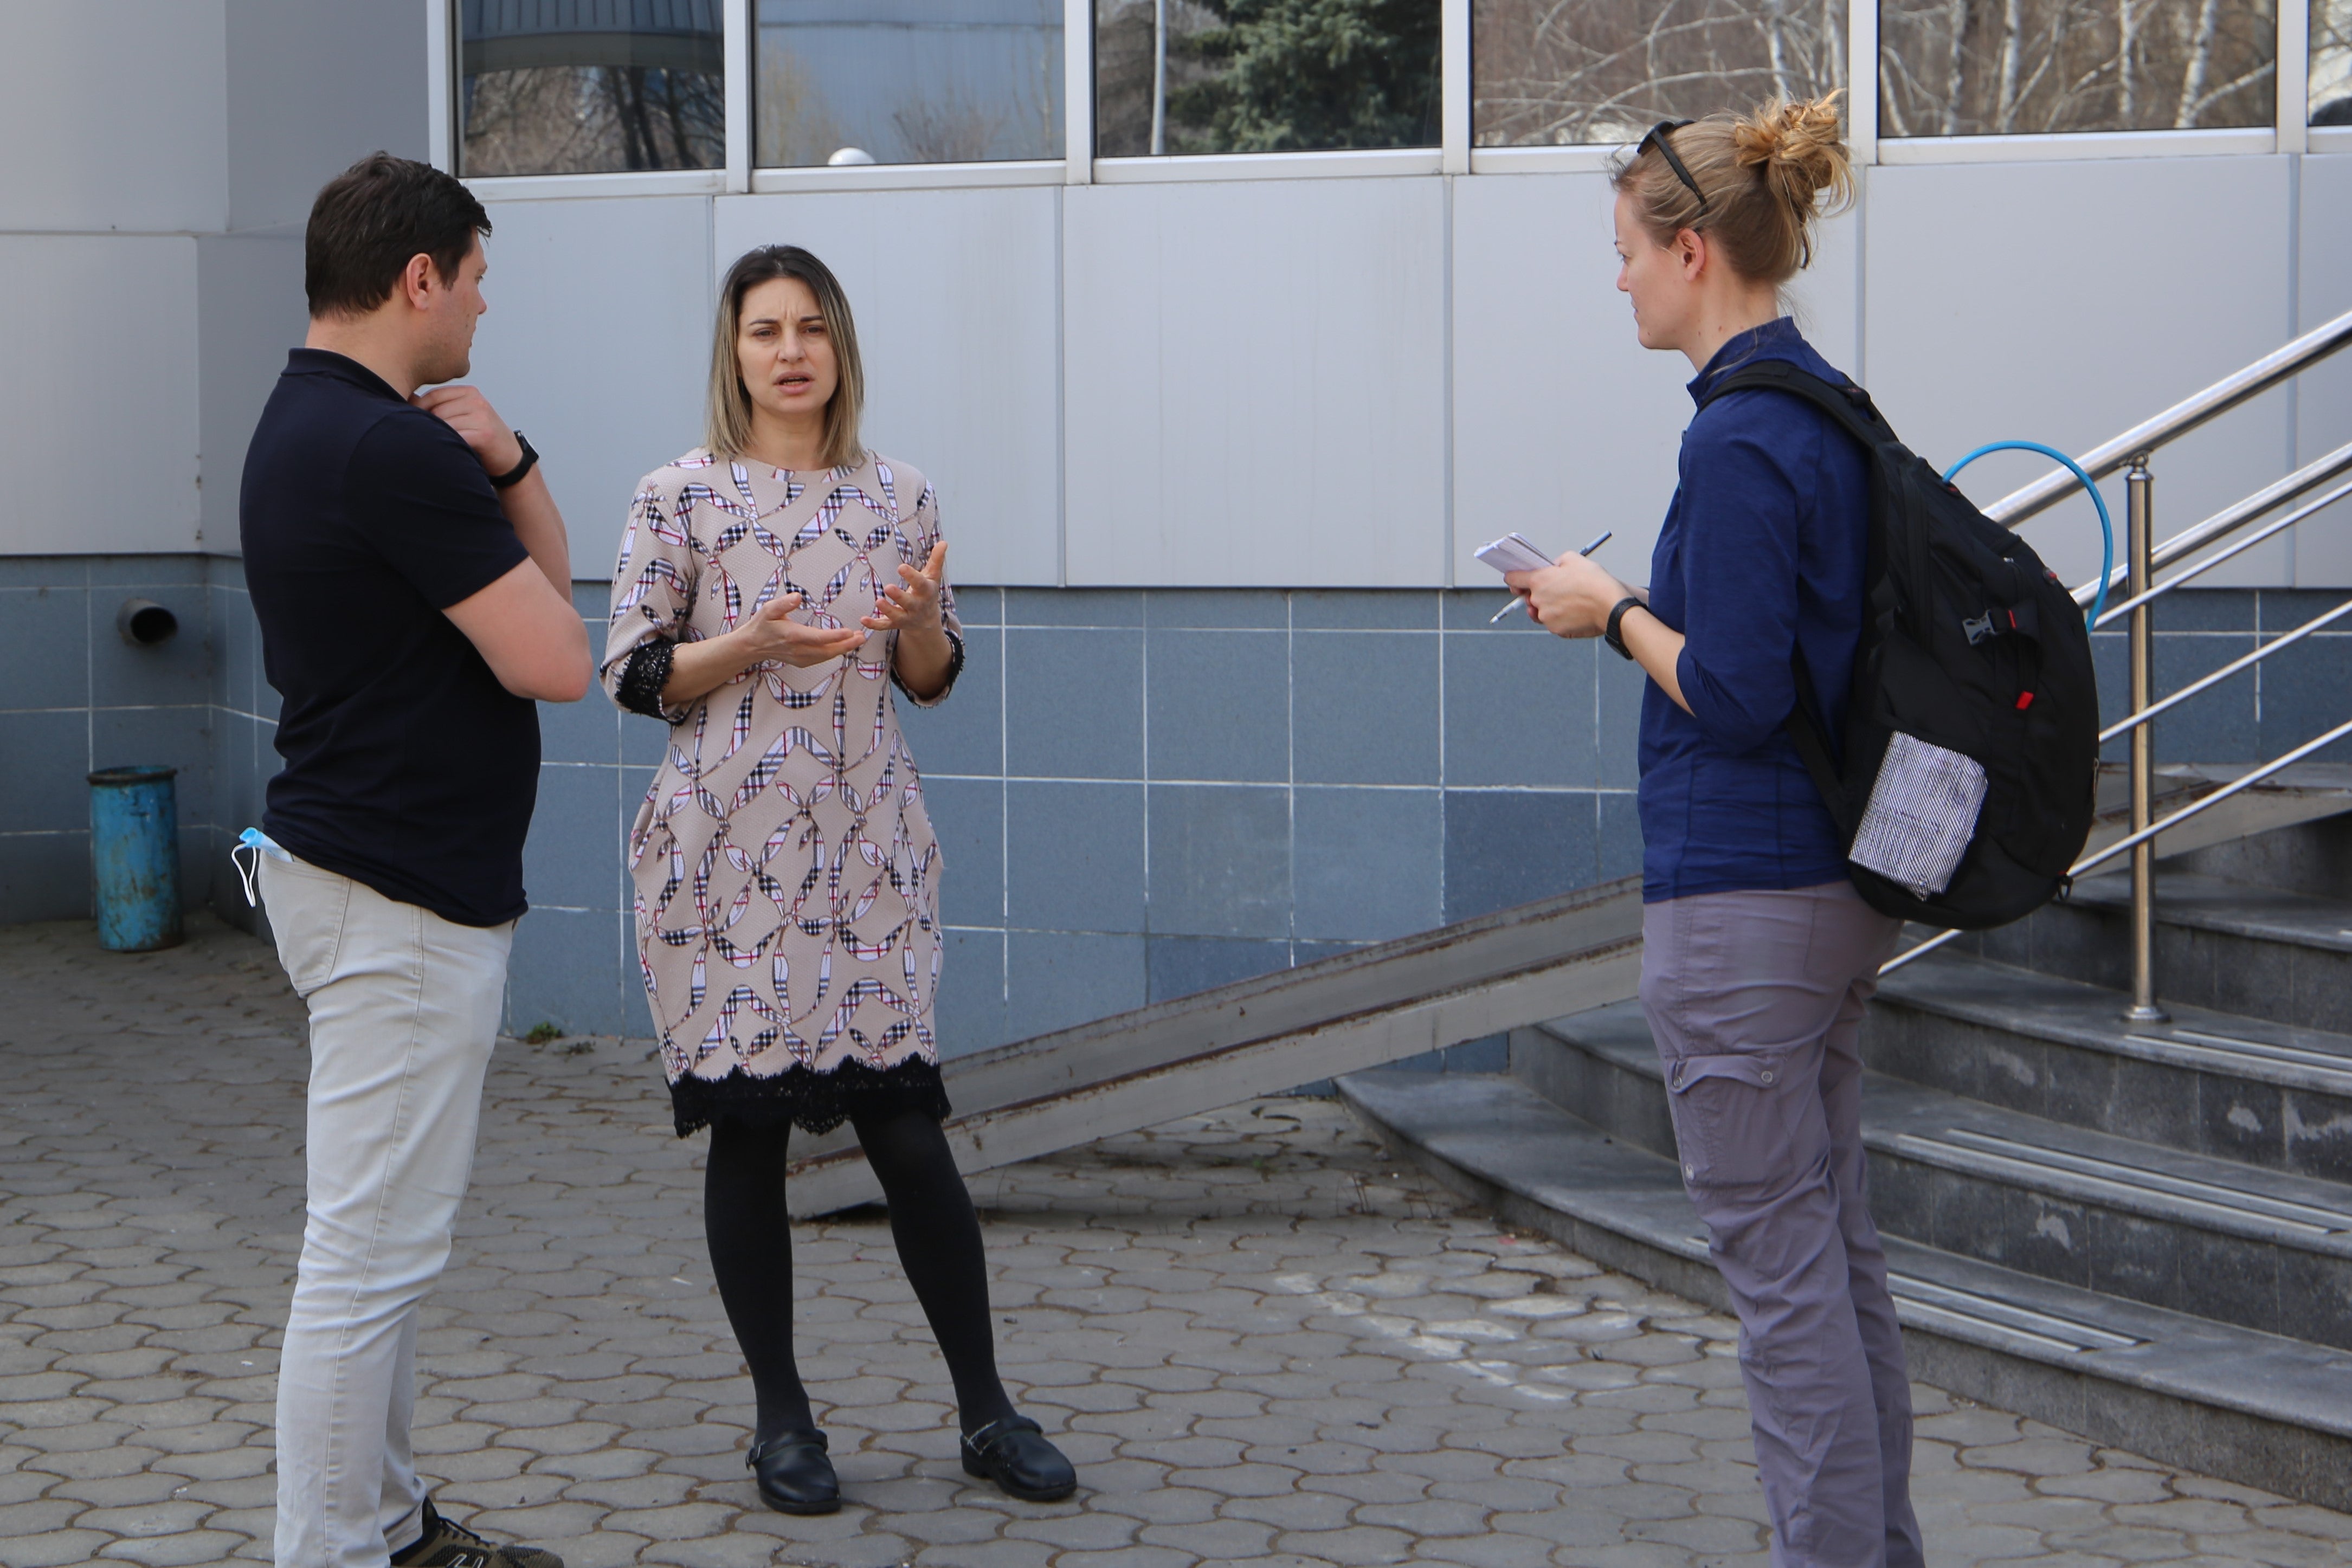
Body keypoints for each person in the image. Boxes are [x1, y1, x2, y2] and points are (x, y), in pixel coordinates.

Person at [1506, 98, 1925, 1568]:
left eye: (1625, 251)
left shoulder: (1740, 439)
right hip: (1823, 884)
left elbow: (1739, 689)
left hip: (1744, 897)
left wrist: (1605, 610)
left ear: (1690, 250)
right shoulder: (1818, 400)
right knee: (1833, 1253)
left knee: (1784, 1281)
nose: (1616, 279)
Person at [602, 244, 1075, 1515]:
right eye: (766, 330)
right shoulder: (678, 498)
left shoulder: (901, 494)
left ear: (839, 346)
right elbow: (636, 675)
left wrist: (917, 615)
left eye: (811, 327)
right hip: (722, 858)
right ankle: (783, 1422)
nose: (790, 350)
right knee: (748, 1131)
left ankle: (987, 1409)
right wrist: (742, 644)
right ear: (735, 350)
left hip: (866, 853)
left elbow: (928, 674)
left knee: (907, 1130)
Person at [240, 152, 590, 1568]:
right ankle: (332, 1545)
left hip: (367, 870)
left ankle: (382, 1520)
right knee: (366, 1259)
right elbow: (561, 653)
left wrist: (506, 458)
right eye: (478, 277)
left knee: (379, 1251)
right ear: (417, 278)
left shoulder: (304, 419)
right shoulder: (385, 447)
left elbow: (546, 599)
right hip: (396, 894)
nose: (485, 305)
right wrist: (481, 466)